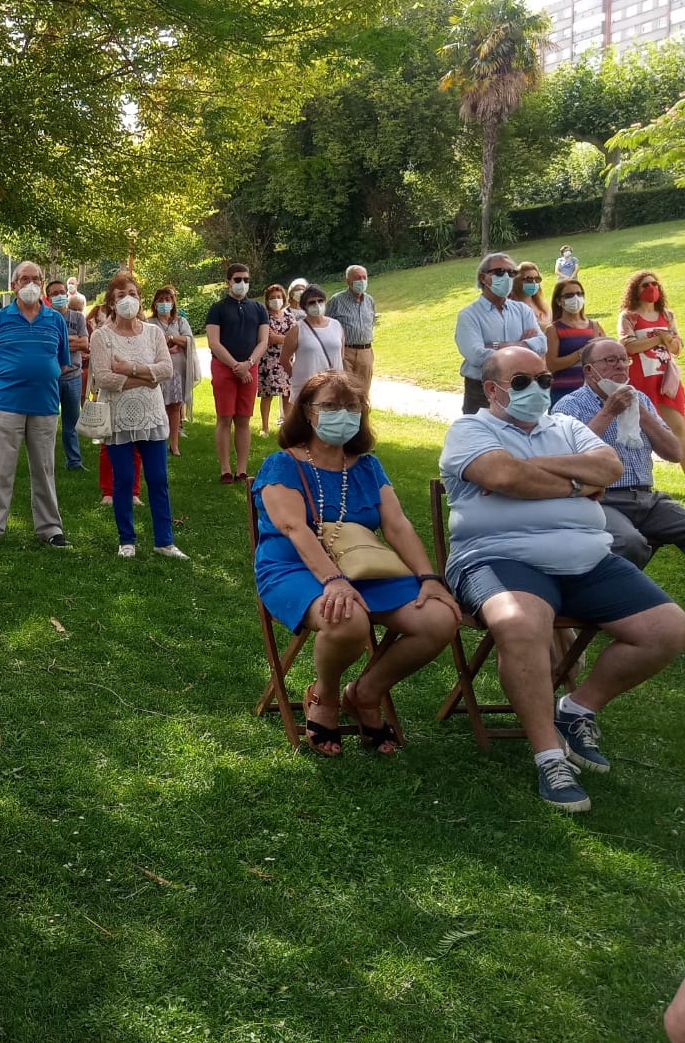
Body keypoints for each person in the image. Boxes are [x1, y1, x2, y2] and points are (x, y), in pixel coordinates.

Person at [439, 345, 685, 811]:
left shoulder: (568, 426)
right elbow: (499, 474)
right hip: (499, 557)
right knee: (519, 624)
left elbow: (608, 469)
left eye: (544, 380)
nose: (537, 389)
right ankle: (549, 754)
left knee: (669, 629)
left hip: (588, 557)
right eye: (521, 382)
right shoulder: (471, 428)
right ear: (492, 390)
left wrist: (529, 473)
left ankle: (577, 709)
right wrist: (575, 482)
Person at [254, 370, 459, 756]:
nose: (342, 414)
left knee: (439, 618)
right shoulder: (283, 464)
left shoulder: (367, 466)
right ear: (307, 412)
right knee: (345, 617)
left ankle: (365, 693)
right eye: (330, 405)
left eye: (351, 406)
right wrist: (332, 580)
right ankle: (325, 695)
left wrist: (430, 578)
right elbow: (294, 528)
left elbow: (397, 526)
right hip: (292, 567)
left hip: (365, 567)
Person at [555, 337, 685, 568]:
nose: (620, 365)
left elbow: (674, 453)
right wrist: (608, 412)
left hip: (646, 498)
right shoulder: (569, 405)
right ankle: (622, 598)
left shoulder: (640, 399)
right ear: (589, 370)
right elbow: (568, 457)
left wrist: (641, 412)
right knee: (629, 543)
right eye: (610, 360)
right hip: (601, 499)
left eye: (624, 360)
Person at [0, 260, 73, 549]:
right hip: (6, 404)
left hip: (44, 405)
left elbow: (62, 364)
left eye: (35, 279)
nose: (30, 283)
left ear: (41, 284)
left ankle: (50, 528)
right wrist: (5, 385)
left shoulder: (55, 321)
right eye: (23, 279)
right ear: (13, 285)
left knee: (44, 469)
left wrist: (38, 376)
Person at [90, 272, 185, 561]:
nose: (127, 299)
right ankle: (127, 539)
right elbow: (103, 377)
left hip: (153, 417)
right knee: (124, 479)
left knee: (158, 478)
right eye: (121, 295)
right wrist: (147, 376)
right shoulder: (101, 336)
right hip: (118, 419)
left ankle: (164, 541)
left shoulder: (154, 333)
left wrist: (130, 368)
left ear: (140, 298)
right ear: (111, 301)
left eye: (132, 293)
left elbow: (166, 370)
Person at [454, 251, 547, 415]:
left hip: (521, 387)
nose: (506, 277)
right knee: (483, 438)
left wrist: (502, 346)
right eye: (499, 272)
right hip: (482, 392)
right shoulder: (469, 315)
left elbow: (542, 344)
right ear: (483, 278)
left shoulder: (522, 310)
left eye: (511, 273)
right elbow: (476, 355)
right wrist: (523, 347)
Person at [204, 262, 270, 484]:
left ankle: (241, 469)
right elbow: (214, 342)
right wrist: (235, 366)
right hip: (224, 367)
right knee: (225, 417)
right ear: (228, 282)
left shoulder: (259, 309)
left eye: (246, 280)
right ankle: (225, 469)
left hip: (249, 367)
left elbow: (263, 341)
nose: (242, 284)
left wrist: (248, 363)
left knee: (244, 418)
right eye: (238, 279)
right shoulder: (218, 308)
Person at [618, 270, 685, 458]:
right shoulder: (629, 316)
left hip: (667, 380)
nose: (651, 288)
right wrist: (660, 339)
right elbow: (628, 346)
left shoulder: (667, 315)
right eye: (645, 285)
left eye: (655, 284)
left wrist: (667, 341)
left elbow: (677, 348)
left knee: (680, 428)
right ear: (635, 290)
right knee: (645, 431)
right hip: (642, 380)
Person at [48, 278, 89, 471]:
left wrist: (62, 341)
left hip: (73, 377)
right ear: (48, 298)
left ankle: (74, 462)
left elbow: (84, 344)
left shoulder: (78, 317)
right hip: (51, 378)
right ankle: (46, 463)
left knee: (71, 423)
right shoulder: (45, 318)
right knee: (46, 423)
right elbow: (48, 346)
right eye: (54, 293)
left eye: (61, 292)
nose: (59, 296)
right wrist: (72, 340)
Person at [543, 278, 604, 406]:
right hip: (564, 392)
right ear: (559, 301)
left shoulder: (595, 326)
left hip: (593, 391)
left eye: (579, 294)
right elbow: (551, 365)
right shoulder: (554, 330)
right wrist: (581, 353)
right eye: (569, 295)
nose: (576, 298)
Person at [282, 284, 343, 404]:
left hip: (333, 386)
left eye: (320, 301)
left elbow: (341, 355)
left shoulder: (336, 325)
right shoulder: (297, 329)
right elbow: (284, 360)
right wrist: (297, 377)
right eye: (312, 302)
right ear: (304, 306)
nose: (317, 305)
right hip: (307, 389)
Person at [151, 285, 194, 456]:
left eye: (167, 300)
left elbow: (188, 340)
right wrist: (168, 347)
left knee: (175, 407)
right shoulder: (150, 323)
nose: (164, 303)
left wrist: (170, 338)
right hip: (158, 371)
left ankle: (174, 444)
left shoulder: (180, 322)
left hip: (177, 370)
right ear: (154, 303)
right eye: (160, 300)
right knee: (157, 406)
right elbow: (151, 343)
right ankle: (157, 442)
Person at [326, 264, 376, 389]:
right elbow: (326, 326)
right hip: (345, 353)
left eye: (364, 278)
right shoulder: (336, 301)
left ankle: (362, 409)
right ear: (348, 281)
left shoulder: (370, 301)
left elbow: (372, 323)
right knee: (345, 391)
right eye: (358, 278)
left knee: (363, 392)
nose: (362, 281)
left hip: (366, 352)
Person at [257, 283, 295, 435]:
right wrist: (284, 338)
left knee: (287, 394)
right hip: (268, 361)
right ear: (267, 300)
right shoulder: (263, 317)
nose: (276, 300)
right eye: (272, 298)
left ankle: (287, 427)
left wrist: (279, 338)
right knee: (267, 395)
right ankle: (265, 428)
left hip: (287, 360)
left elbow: (295, 338)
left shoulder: (289, 316)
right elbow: (268, 338)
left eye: (279, 297)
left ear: (284, 298)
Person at [510, 261, 551, 328]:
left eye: (537, 279)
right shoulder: (513, 307)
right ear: (517, 281)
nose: (534, 282)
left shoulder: (541, 304)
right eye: (529, 279)